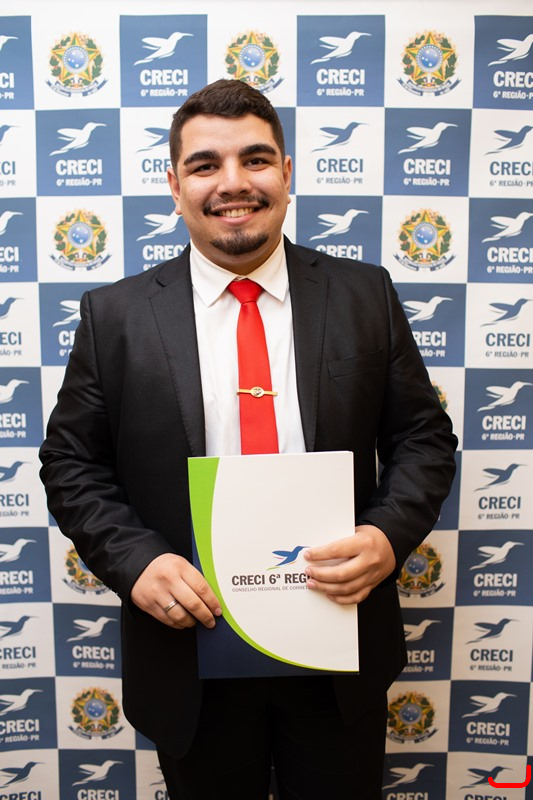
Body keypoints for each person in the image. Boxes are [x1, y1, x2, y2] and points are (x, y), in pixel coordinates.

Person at [40, 79, 457, 800]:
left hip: (337, 645)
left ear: (286, 173)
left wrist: (387, 536)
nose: (233, 183)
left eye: (255, 160)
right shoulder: (116, 316)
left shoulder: (365, 294)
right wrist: (137, 561)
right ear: (175, 187)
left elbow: (423, 438)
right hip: (190, 651)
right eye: (205, 165)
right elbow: (71, 463)